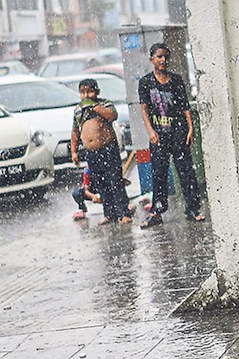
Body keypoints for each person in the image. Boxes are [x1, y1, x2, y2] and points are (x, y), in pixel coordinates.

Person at [138, 42, 205, 229]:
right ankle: (157, 211)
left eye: (166, 56)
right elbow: (144, 110)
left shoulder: (176, 80)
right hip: (159, 136)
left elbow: (184, 107)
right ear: (152, 59)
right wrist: (150, 131)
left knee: (186, 172)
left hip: (178, 134)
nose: (163, 60)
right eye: (159, 56)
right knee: (158, 174)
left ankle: (192, 208)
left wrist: (190, 128)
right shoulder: (145, 82)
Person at [70, 78, 132, 225]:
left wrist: (95, 107)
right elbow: (75, 132)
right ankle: (109, 213)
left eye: (90, 91)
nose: (86, 96)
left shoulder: (104, 104)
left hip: (108, 149)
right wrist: (74, 151)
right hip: (92, 153)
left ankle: (124, 212)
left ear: (97, 92)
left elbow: (112, 116)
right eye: (83, 92)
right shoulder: (78, 110)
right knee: (101, 183)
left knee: (115, 181)